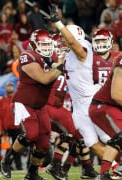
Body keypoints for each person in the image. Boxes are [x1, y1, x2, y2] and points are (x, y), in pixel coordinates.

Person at [48, 4, 115, 169]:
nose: (62, 39)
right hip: (79, 107)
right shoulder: (69, 54)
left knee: (110, 139)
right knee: (92, 143)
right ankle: (113, 168)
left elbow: (71, 41)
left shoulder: (82, 49)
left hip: (91, 102)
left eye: (64, 35)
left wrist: (58, 22)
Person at [0, 29, 62, 180]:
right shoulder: (27, 56)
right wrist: (60, 66)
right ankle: (7, 161)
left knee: (43, 142)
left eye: (49, 44)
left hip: (39, 105)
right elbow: (44, 78)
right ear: (34, 44)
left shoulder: (52, 55)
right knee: (31, 134)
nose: (47, 47)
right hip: (24, 102)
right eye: (43, 44)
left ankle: (32, 174)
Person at [90, 54, 122, 180]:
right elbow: (116, 94)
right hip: (103, 106)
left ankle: (116, 170)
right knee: (120, 136)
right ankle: (103, 175)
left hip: (115, 107)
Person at [0, 81, 23, 171]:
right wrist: (1, 128)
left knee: (17, 148)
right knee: (7, 148)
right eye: (8, 86)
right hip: (7, 129)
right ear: (6, 88)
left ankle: (19, 165)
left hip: (17, 128)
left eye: (11, 86)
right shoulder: (2, 100)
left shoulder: (17, 99)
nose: (10, 88)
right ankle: (7, 165)